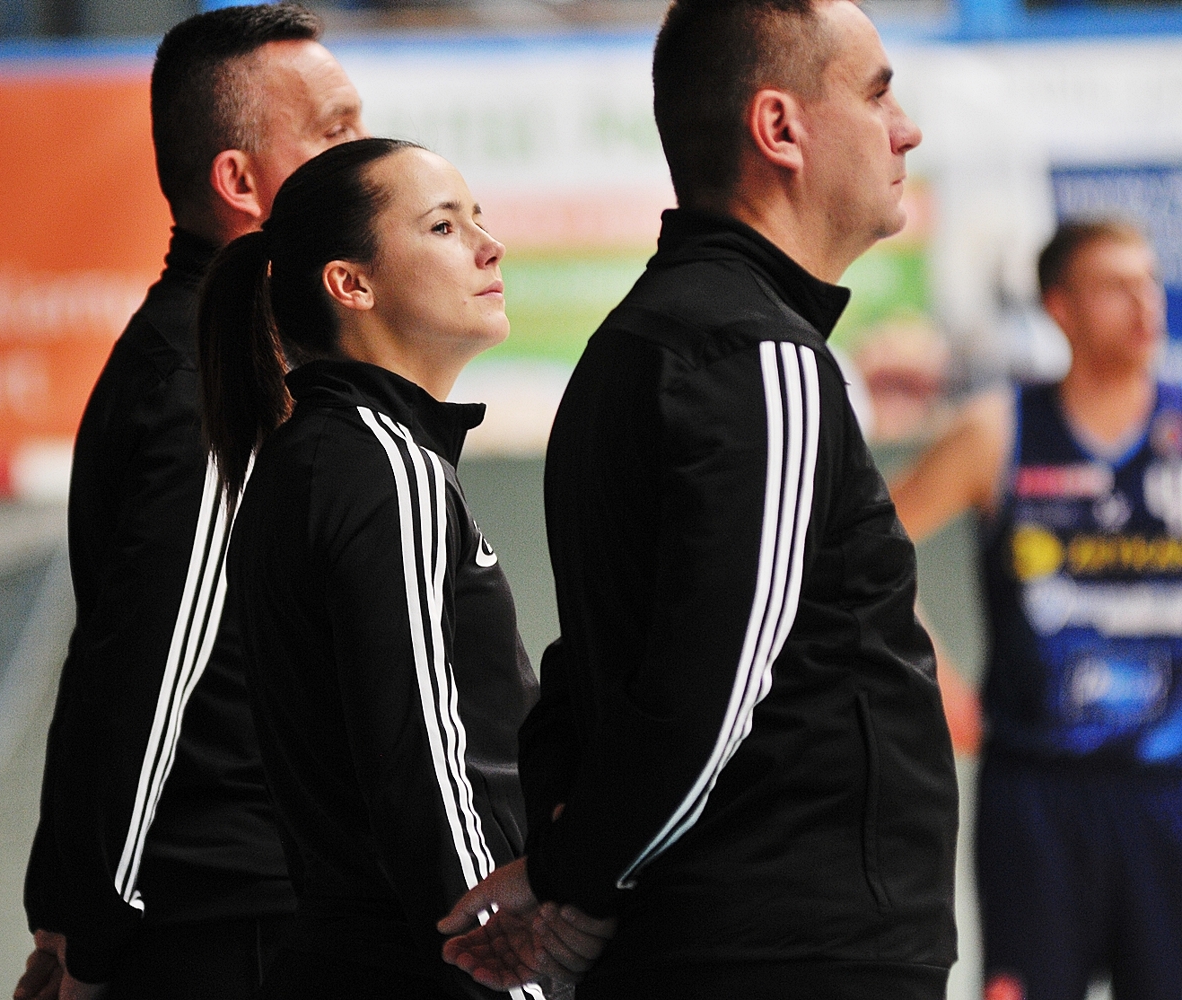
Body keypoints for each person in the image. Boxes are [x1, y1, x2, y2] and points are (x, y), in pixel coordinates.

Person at [439, 0, 959, 996]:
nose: (906, 131)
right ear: (779, 128)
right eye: (876, 95)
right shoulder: (758, 354)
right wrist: (567, 878)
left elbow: (595, 673)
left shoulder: (634, 346)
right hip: (793, 955)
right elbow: (707, 690)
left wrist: (577, 881)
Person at [15, 7, 365, 1000]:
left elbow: (105, 657)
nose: (367, 156)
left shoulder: (219, 350)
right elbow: (148, 671)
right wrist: (89, 938)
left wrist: (64, 902)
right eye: (335, 132)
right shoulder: (214, 379)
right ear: (240, 183)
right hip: (224, 928)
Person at [196, 137, 585, 1000]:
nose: (490, 246)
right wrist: (509, 980)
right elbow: (426, 761)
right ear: (352, 284)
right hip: (426, 970)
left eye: (479, 219)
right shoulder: (379, 469)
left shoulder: (324, 458)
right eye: (444, 226)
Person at [889, 219, 1182, 1000]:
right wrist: (932, 680)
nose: (1144, 304)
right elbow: (863, 551)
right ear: (1061, 308)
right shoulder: (998, 429)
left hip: (1168, 787)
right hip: (1037, 791)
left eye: (1148, 282)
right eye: (1116, 287)